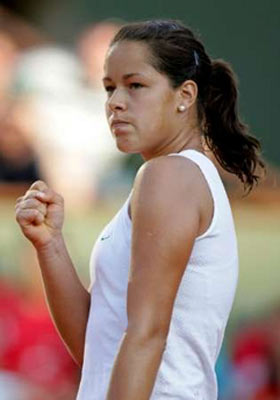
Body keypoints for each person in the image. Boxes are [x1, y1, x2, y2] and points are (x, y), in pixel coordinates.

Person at [15, 19, 265, 400]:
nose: (115, 102)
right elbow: (96, 349)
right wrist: (50, 246)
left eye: (135, 85)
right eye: (109, 88)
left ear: (185, 95)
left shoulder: (169, 175)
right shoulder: (170, 177)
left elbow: (147, 334)